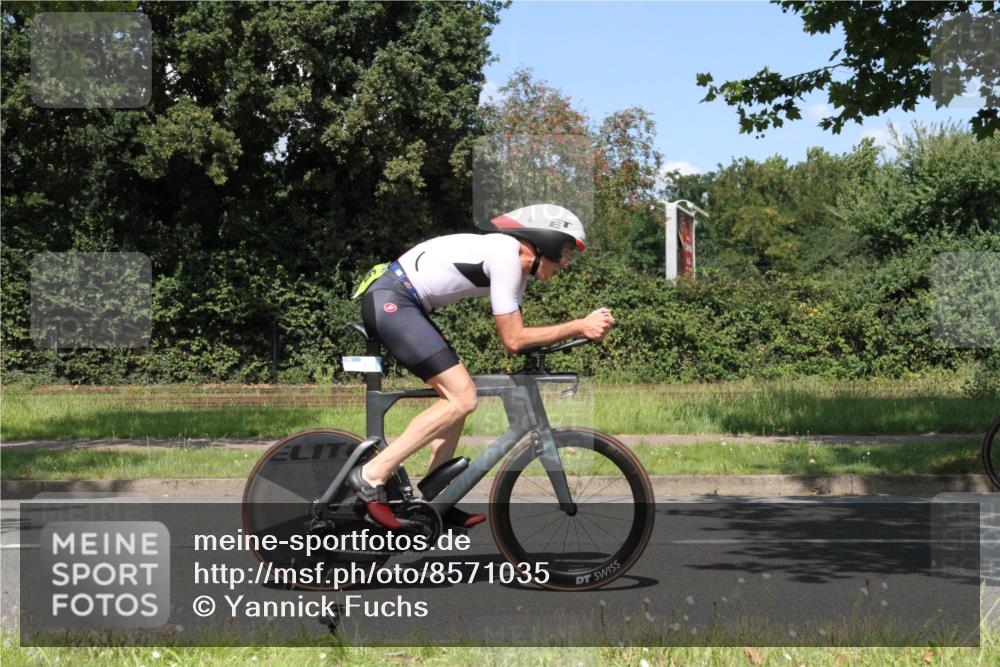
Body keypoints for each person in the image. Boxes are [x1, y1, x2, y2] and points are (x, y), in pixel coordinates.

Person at [349, 203, 615, 528]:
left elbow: (520, 338)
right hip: (393, 301)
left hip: (405, 304)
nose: (566, 261)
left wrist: (567, 335)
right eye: (564, 250)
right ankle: (371, 474)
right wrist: (578, 326)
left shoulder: (516, 270)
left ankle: (438, 499)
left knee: (459, 396)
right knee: (462, 396)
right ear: (544, 241)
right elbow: (514, 340)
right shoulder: (507, 255)